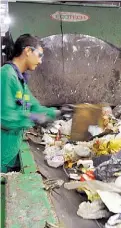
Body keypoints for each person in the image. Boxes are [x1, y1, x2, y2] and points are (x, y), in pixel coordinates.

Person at [1, 34, 71, 172]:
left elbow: (33, 105)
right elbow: (4, 117)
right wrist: (33, 118)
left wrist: (58, 112)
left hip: (9, 154)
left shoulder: (19, 79)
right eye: (39, 55)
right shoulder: (5, 75)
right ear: (28, 51)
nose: (40, 61)